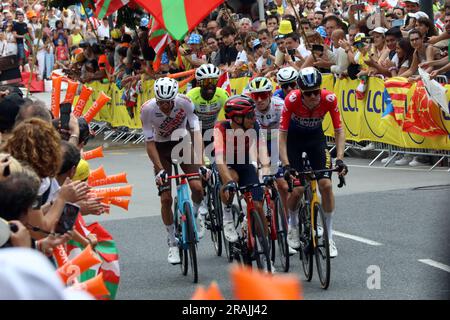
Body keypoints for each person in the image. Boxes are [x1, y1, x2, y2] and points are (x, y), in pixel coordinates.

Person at [279, 67, 348, 258]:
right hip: (294, 140)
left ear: (320, 88)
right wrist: (286, 164)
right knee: (298, 189)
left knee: (325, 185)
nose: (313, 97)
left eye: (316, 92)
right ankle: (292, 223)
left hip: (315, 140)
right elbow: (282, 136)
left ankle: (329, 236)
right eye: (308, 94)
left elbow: (339, 130)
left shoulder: (329, 99)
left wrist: (340, 159)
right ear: (301, 92)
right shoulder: (291, 100)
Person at [140, 77, 207, 265]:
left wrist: (201, 163)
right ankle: (171, 241)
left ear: (174, 98)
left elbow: (195, 132)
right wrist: (160, 170)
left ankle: (194, 214)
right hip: (161, 149)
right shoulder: (147, 109)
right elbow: (150, 143)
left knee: (197, 187)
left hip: (182, 142)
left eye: (168, 102)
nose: (165, 107)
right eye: (161, 103)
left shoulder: (185, 103)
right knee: (166, 198)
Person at [213, 95, 274, 272]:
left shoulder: (254, 125)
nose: (254, 119)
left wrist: (267, 172)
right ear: (237, 118)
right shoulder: (221, 128)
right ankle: (227, 217)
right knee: (231, 181)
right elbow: (219, 158)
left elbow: (262, 149)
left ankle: (264, 251)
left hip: (244, 162)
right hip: (227, 163)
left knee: (257, 204)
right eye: (249, 116)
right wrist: (229, 182)